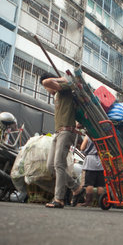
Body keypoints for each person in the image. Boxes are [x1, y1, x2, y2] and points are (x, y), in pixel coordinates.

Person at [40, 72, 83, 208]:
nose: (47, 90)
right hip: (58, 133)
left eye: (46, 89)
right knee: (50, 166)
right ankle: (76, 187)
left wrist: (60, 79)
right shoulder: (57, 95)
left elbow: (47, 82)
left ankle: (59, 199)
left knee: (59, 164)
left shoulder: (64, 88)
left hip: (66, 131)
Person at [78, 135, 105, 206]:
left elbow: (82, 148)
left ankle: (88, 201)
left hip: (90, 161)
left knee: (89, 184)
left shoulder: (88, 136)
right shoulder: (102, 135)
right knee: (100, 185)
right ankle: (101, 202)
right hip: (100, 161)